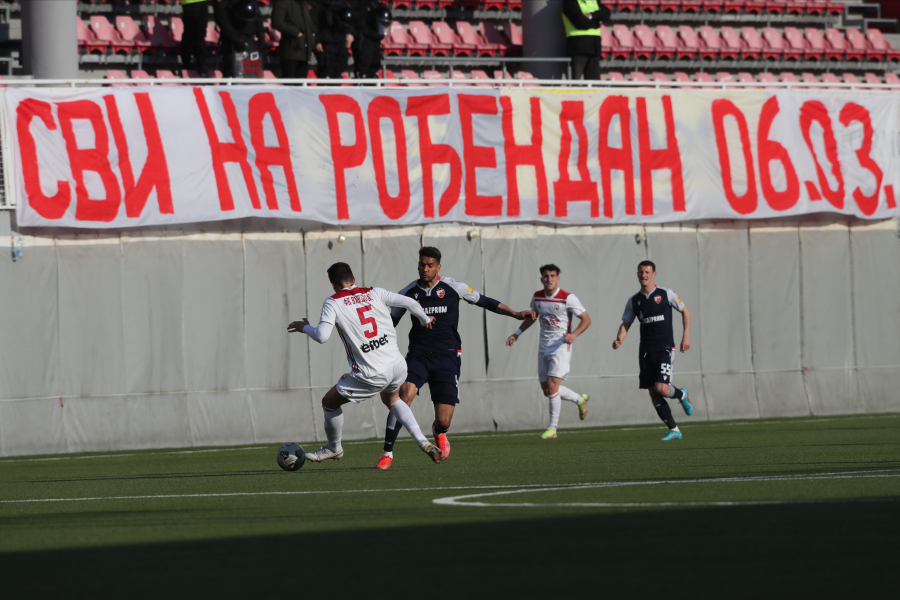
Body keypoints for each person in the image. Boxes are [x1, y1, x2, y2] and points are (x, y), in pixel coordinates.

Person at [376, 247, 536, 470]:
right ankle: (387, 453)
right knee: (402, 396)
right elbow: (390, 323)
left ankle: (438, 432)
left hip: (447, 357)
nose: (425, 269)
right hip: (418, 355)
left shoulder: (454, 288)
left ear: (438, 267)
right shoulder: (408, 293)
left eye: (430, 265)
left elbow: (485, 301)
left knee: (444, 420)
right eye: (422, 264)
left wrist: (516, 314)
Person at [289, 262, 444, 464]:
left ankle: (333, 448)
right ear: (353, 279)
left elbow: (322, 336)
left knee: (329, 403)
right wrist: (424, 319)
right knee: (392, 400)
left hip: (372, 373)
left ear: (334, 285)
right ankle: (423, 441)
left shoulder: (333, 302)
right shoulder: (375, 292)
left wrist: (305, 327)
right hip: (397, 366)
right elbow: (410, 303)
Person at [506, 264, 592, 439]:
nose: (549, 279)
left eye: (552, 276)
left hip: (561, 347)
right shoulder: (537, 297)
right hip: (543, 347)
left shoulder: (567, 298)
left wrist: (574, 334)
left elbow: (586, 319)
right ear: (541, 279)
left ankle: (552, 429)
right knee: (548, 390)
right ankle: (579, 399)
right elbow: (532, 317)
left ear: (558, 278)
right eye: (546, 276)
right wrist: (517, 334)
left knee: (553, 387)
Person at [612, 261, 693, 441]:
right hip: (646, 351)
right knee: (653, 393)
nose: (644, 275)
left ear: (654, 274)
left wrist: (685, 336)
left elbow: (685, 311)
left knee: (662, 389)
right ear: (637, 274)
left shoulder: (666, 293)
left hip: (664, 348)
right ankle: (674, 429)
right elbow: (626, 323)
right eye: (641, 272)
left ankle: (682, 394)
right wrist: (619, 339)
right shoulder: (634, 300)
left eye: (647, 272)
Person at [214, 0, 266, 78]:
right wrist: (235, 38)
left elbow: (257, 15)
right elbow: (221, 18)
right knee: (231, 72)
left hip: (249, 38)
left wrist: (261, 37)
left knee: (250, 74)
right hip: (232, 42)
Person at [561, 0, 611, 80]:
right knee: (575, 82)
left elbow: (606, 13)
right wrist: (597, 23)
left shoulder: (593, 0)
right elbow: (581, 22)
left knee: (594, 85)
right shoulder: (569, 2)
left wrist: (591, 16)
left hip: (594, 46)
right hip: (577, 47)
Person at [272, 0, 320, 79]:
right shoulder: (283, 2)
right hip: (290, 51)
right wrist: (296, 33)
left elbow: (310, 22)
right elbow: (277, 22)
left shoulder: (304, 3)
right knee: (289, 86)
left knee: (301, 87)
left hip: (305, 52)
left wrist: (312, 33)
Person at [315, 0, 355, 78]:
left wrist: (350, 33)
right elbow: (314, 23)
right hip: (325, 41)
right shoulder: (320, 4)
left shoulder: (343, 3)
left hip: (341, 40)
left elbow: (351, 19)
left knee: (339, 68)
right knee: (326, 71)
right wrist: (317, 41)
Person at [350, 0, 390, 79]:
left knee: (374, 63)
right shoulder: (357, 3)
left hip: (375, 37)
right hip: (363, 38)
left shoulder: (377, 4)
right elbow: (354, 17)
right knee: (363, 67)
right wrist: (367, 8)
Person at [180, 0, 209, 75]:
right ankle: (187, 64)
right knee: (191, 32)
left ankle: (202, 64)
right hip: (191, 2)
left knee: (201, 32)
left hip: (202, 1)